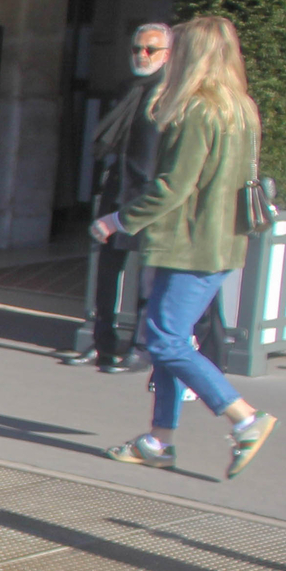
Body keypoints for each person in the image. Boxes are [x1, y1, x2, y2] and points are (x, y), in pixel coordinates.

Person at [95, 14, 276, 478]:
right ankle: (160, 439)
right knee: (171, 339)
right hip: (219, 242)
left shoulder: (198, 110)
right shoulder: (241, 107)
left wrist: (117, 220)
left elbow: (173, 186)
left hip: (189, 242)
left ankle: (245, 420)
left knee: (165, 339)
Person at [69, 24, 174, 371]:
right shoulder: (128, 89)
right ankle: (103, 343)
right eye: (137, 49)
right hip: (118, 186)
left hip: (146, 194)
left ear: (168, 55)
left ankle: (140, 346)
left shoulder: (169, 95)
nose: (141, 55)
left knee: (147, 274)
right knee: (107, 268)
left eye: (150, 50)